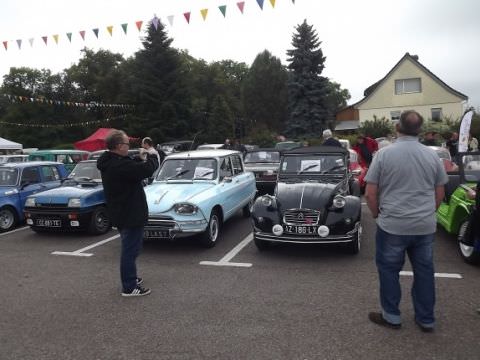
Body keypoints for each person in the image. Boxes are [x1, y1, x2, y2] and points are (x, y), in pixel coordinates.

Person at [364, 110, 448, 332]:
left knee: (389, 271)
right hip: (424, 225)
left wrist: (375, 215)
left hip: (392, 224)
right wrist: (429, 213)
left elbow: (370, 194)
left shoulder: (383, 155)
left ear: (397, 128)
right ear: (420, 130)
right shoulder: (433, 156)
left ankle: (391, 316)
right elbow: (439, 193)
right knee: (424, 272)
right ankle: (426, 319)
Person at [97, 130, 159, 297]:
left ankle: (131, 278)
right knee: (130, 250)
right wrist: (153, 155)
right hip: (129, 212)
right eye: (126, 144)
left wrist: (139, 157)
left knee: (133, 248)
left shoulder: (111, 161)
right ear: (118, 146)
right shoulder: (118, 165)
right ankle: (129, 287)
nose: (128, 146)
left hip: (122, 211)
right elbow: (145, 170)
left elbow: (131, 166)